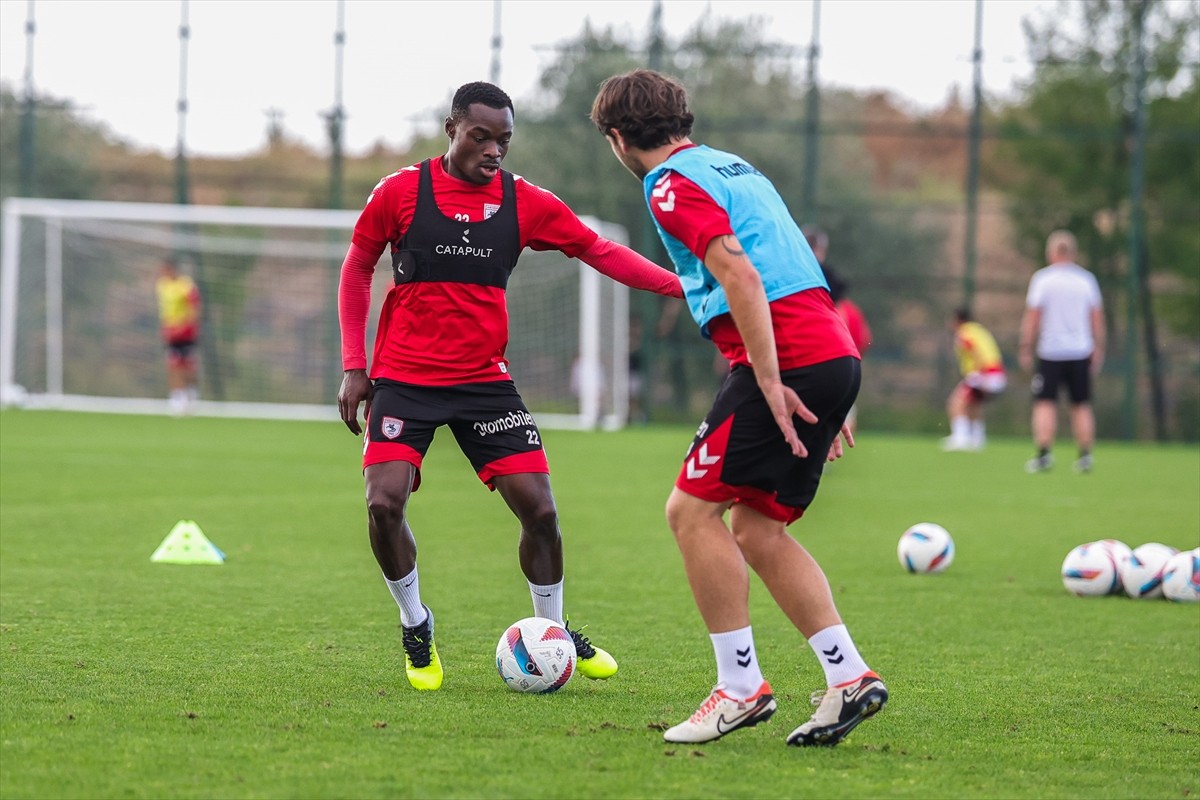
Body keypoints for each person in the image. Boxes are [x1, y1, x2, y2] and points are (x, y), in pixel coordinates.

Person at [336, 82, 683, 692]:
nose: (494, 150)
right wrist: (353, 365)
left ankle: (551, 634)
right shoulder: (399, 193)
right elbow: (357, 267)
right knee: (383, 503)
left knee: (541, 511)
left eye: (504, 140)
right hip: (404, 380)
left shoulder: (526, 202)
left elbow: (599, 250)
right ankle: (415, 624)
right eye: (481, 136)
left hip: (483, 385)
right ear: (451, 129)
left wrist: (682, 285)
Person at [590, 69, 887, 747]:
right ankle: (848, 678)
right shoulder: (735, 167)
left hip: (788, 359)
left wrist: (774, 377)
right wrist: (833, 382)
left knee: (690, 512)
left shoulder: (667, 183)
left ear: (616, 138)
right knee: (757, 527)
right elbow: (797, 270)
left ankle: (741, 688)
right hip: (829, 352)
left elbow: (742, 275)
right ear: (681, 119)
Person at [1018, 230, 1104, 474]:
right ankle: (1085, 457)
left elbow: (1033, 316)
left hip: (1051, 353)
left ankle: (1044, 455)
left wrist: (1026, 346)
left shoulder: (1043, 279)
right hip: (1080, 351)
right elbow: (1096, 317)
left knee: (1045, 403)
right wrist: (1098, 347)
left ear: (1051, 253)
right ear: (1074, 254)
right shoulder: (1086, 280)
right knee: (1081, 404)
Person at [803, 225, 871, 435]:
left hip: (800, 349)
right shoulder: (830, 280)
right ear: (822, 248)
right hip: (826, 351)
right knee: (832, 404)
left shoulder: (787, 272)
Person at [941, 307, 1007, 452]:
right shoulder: (978, 329)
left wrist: (981, 374)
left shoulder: (964, 333)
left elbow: (974, 349)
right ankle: (977, 439)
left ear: (957, 320)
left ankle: (960, 438)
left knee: (955, 402)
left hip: (984, 373)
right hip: (998, 373)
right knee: (973, 404)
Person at [155, 257, 201, 416]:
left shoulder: (186, 285)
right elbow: (165, 311)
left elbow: (194, 308)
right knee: (173, 365)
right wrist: (165, 328)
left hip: (186, 332)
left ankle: (191, 392)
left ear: (172, 269)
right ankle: (177, 398)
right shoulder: (162, 286)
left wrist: (189, 326)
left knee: (187, 366)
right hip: (171, 333)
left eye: (165, 270)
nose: (162, 273)